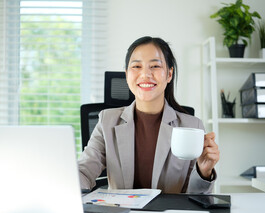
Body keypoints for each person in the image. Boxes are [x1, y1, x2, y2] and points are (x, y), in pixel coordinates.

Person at [78, 36, 219, 194]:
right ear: (126, 75)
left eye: (155, 66)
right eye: (137, 66)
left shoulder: (192, 126)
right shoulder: (107, 121)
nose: (145, 74)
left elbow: (195, 199)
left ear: (169, 74)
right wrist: (67, 185)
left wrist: (204, 172)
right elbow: (84, 170)